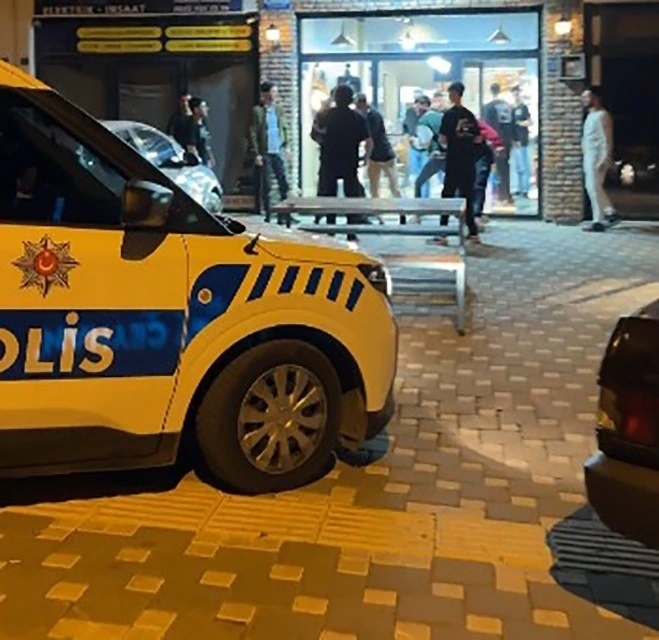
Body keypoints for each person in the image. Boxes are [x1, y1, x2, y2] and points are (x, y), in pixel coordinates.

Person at [316, 83, 370, 241]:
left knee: (329, 195)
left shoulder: (324, 115)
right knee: (351, 196)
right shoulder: (357, 117)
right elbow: (368, 140)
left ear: (335, 98)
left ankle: (330, 229)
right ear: (351, 99)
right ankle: (351, 231)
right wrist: (365, 157)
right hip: (349, 161)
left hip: (329, 160)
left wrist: (324, 141)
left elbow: (314, 134)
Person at [434, 81, 481, 244]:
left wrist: (449, 147)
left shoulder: (449, 115)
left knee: (447, 195)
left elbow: (443, 139)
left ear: (454, 94)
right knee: (467, 196)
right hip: (468, 162)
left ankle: (443, 233)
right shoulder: (470, 115)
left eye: (450, 93)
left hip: (454, 161)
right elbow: (478, 138)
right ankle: (473, 232)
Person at [249, 81, 290, 224]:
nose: (274, 95)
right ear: (265, 94)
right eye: (272, 92)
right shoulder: (257, 111)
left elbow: (284, 127)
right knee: (266, 185)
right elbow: (253, 132)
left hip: (278, 150)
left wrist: (287, 145)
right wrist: (256, 153)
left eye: (275, 92)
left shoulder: (278, 109)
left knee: (283, 182)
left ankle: (284, 214)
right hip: (265, 151)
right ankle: (268, 213)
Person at [582, 86, 617, 232]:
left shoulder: (603, 115)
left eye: (587, 97)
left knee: (593, 187)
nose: (584, 100)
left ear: (595, 98)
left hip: (597, 156)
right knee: (592, 187)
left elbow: (606, 139)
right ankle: (608, 213)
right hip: (589, 155)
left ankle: (600, 219)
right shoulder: (590, 115)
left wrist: (605, 158)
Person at [355, 94, 400, 205]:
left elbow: (370, 138)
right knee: (374, 187)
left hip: (384, 155)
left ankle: (401, 210)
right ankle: (376, 210)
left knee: (392, 187)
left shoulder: (372, 116)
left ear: (362, 104)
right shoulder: (369, 115)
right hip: (376, 155)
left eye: (358, 106)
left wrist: (366, 156)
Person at [413, 91, 447, 208]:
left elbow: (424, 142)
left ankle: (417, 211)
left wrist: (414, 142)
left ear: (424, 106)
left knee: (419, 182)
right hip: (450, 154)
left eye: (417, 105)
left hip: (437, 156)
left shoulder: (424, 121)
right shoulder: (440, 116)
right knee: (455, 183)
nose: (415, 109)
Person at [483, 83, 514, 204]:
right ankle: (506, 194)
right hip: (507, 140)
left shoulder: (488, 107)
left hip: (494, 140)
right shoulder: (507, 106)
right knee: (504, 167)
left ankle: (497, 195)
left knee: (493, 167)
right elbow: (512, 124)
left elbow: (486, 126)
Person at [474, 119, 504, 227]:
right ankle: (473, 214)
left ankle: (476, 215)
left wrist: (497, 144)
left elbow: (492, 134)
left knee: (478, 185)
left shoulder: (473, 123)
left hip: (479, 155)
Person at [511, 86, 532, 199]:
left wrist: (520, 123)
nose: (516, 95)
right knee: (517, 167)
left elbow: (529, 122)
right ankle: (518, 188)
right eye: (514, 93)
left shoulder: (523, 107)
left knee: (524, 166)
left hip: (523, 141)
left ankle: (525, 189)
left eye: (517, 93)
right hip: (515, 142)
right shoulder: (511, 108)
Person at [185, 97, 215, 169]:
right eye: (203, 107)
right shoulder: (192, 126)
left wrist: (211, 157)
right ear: (196, 110)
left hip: (206, 161)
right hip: (199, 165)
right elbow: (191, 147)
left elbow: (206, 143)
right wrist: (198, 163)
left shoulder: (203, 123)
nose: (207, 109)